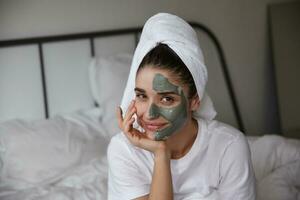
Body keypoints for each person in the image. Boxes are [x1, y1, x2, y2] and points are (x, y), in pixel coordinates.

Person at [107, 13, 256, 200]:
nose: (150, 114)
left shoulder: (229, 147)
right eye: (141, 96)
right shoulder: (123, 150)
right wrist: (162, 153)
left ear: (194, 101)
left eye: (166, 99)